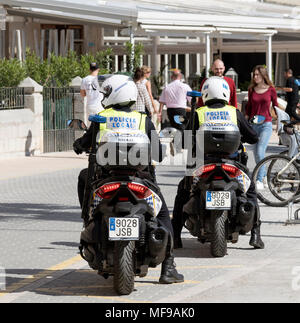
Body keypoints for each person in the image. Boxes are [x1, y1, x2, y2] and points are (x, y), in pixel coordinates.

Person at [73, 74, 184, 284]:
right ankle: (168, 267)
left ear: (113, 94)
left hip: (106, 181)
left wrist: (79, 145)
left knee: (83, 177)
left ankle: (88, 217)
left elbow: (84, 143)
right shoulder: (143, 119)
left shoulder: (101, 118)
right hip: (140, 180)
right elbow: (159, 155)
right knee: (161, 215)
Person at [172, 76, 264, 250]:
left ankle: (176, 236)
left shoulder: (199, 112)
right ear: (226, 92)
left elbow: (183, 141)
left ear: (205, 93)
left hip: (202, 163)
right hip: (232, 163)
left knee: (183, 192)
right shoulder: (233, 112)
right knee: (251, 190)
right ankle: (255, 234)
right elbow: (253, 136)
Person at [245, 65, 278, 190]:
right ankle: (263, 177)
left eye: (257, 74)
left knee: (260, 151)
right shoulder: (252, 89)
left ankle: (259, 180)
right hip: (253, 125)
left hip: (266, 124)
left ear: (263, 75)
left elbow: (275, 106)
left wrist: (281, 122)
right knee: (256, 154)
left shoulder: (271, 90)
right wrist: (244, 122)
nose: (255, 76)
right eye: (254, 74)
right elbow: (248, 108)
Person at [158, 69, 192, 151]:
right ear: (180, 76)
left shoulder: (167, 87)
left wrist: (160, 113)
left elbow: (162, 101)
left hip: (170, 111)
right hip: (180, 111)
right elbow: (192, 99)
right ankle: (174, 143)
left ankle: (178, 145)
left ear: (172, 77)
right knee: (182, 126)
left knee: (176, 127)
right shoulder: (185, 86)